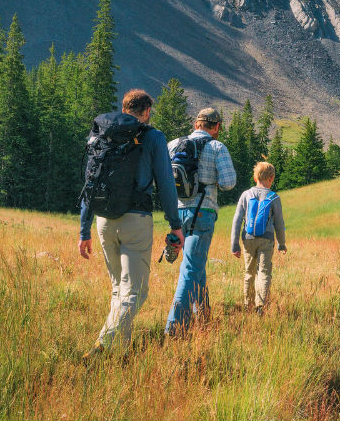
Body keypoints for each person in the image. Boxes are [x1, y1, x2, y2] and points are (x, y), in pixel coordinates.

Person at [78, 89, 183, 356]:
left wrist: (84, 229)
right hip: (136, 220)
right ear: (146, 112)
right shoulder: (153, 137)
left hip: (103, 219)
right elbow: (166, 184)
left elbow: (90, 182)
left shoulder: (102, 135)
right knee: (135, 292)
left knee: (118, 289)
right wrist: (175, 224)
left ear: (124, 109)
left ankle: (118, 356)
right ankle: (104, 343)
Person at [164, 107, 236, 335]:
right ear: (216, 127)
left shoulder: (173, 144)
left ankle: (203, 314)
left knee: (196, 264)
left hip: (177, 213)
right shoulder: (217, 147)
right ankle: (174, 328)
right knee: (191, 268)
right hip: (203, 213)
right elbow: (228, 183)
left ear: (196, 124)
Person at [231, 161, 287, 312]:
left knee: (249, 271)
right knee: (263, 272)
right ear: (271, 178)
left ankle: (247, 303)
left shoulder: (246, 195)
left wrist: (234, 244)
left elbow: (237, 220)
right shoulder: (274, 197)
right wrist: (282, 243)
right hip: (266, 239)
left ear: (255, 177)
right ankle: (260, 306)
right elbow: (279, 223)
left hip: (247, 239)